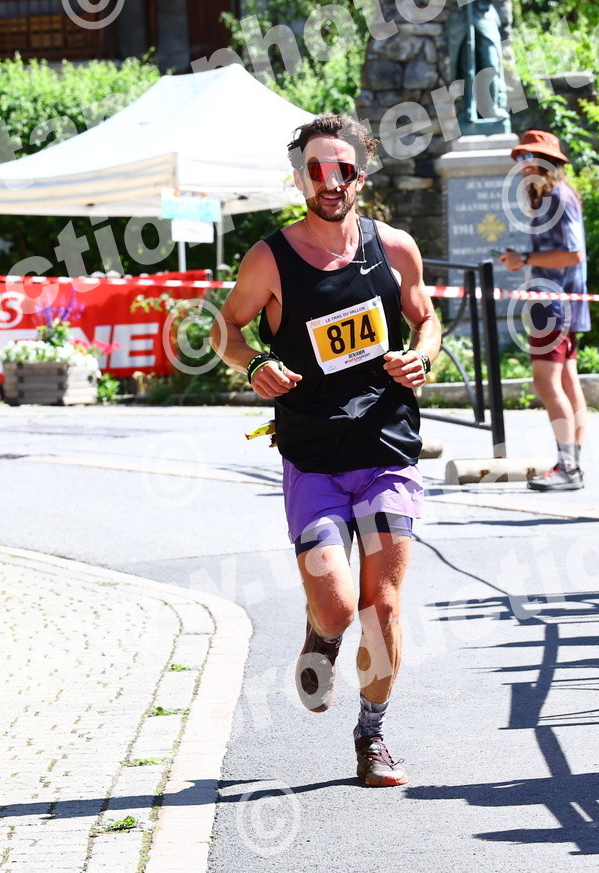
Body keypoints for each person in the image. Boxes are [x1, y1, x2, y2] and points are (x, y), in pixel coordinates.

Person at [210, 113, 441, 788]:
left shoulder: (395, 248)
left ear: (360, 176)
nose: (329, 181)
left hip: (387, 446)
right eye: (315, 170)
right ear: (299, 178)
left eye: (342, 169)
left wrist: (422, 357)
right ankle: (321, 634)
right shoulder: (270, 259)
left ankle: (372, 736)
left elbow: (425, 319)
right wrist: (254, 363)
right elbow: (226, 329)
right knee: (340, 606)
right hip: (312, 456)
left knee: (383, 605)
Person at [497, 131, 589, 492]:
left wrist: (525, 258)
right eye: (520, 158)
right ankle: (572, 464)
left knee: (545, 382)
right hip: (561, 302)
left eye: (528, 158)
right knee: (566, 382)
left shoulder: (558, 198)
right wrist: (524, 259)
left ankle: (568, 466)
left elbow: (573, 254)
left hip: (553, 305)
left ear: (547, 163)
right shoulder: (555, 198)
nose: (522, 166)